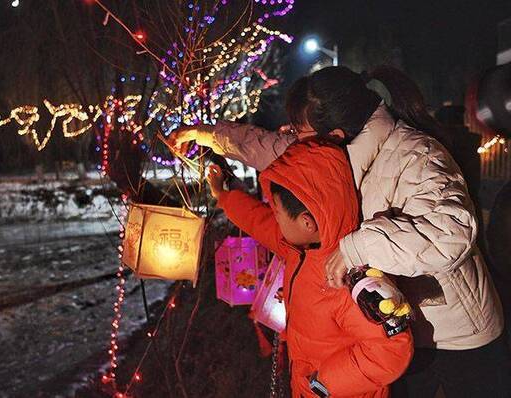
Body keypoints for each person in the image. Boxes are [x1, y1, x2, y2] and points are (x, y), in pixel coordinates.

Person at [171, 66, 509, 397]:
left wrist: (356, 248)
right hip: (383, 324)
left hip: (457, 331)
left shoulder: (415, 155)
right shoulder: (325, 156)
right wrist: (207, 136)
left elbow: (451, 234)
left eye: (299, 132)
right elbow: (266, 148)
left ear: (332, 134)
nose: (292, 138)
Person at [206, 138, 413, 397]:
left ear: (307, 223)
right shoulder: (299, 249)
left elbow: (391, 350)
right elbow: (259, 221)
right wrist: (224, 198)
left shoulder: (348, 277)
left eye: (278, 212)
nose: (275, 218)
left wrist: (323, 384)